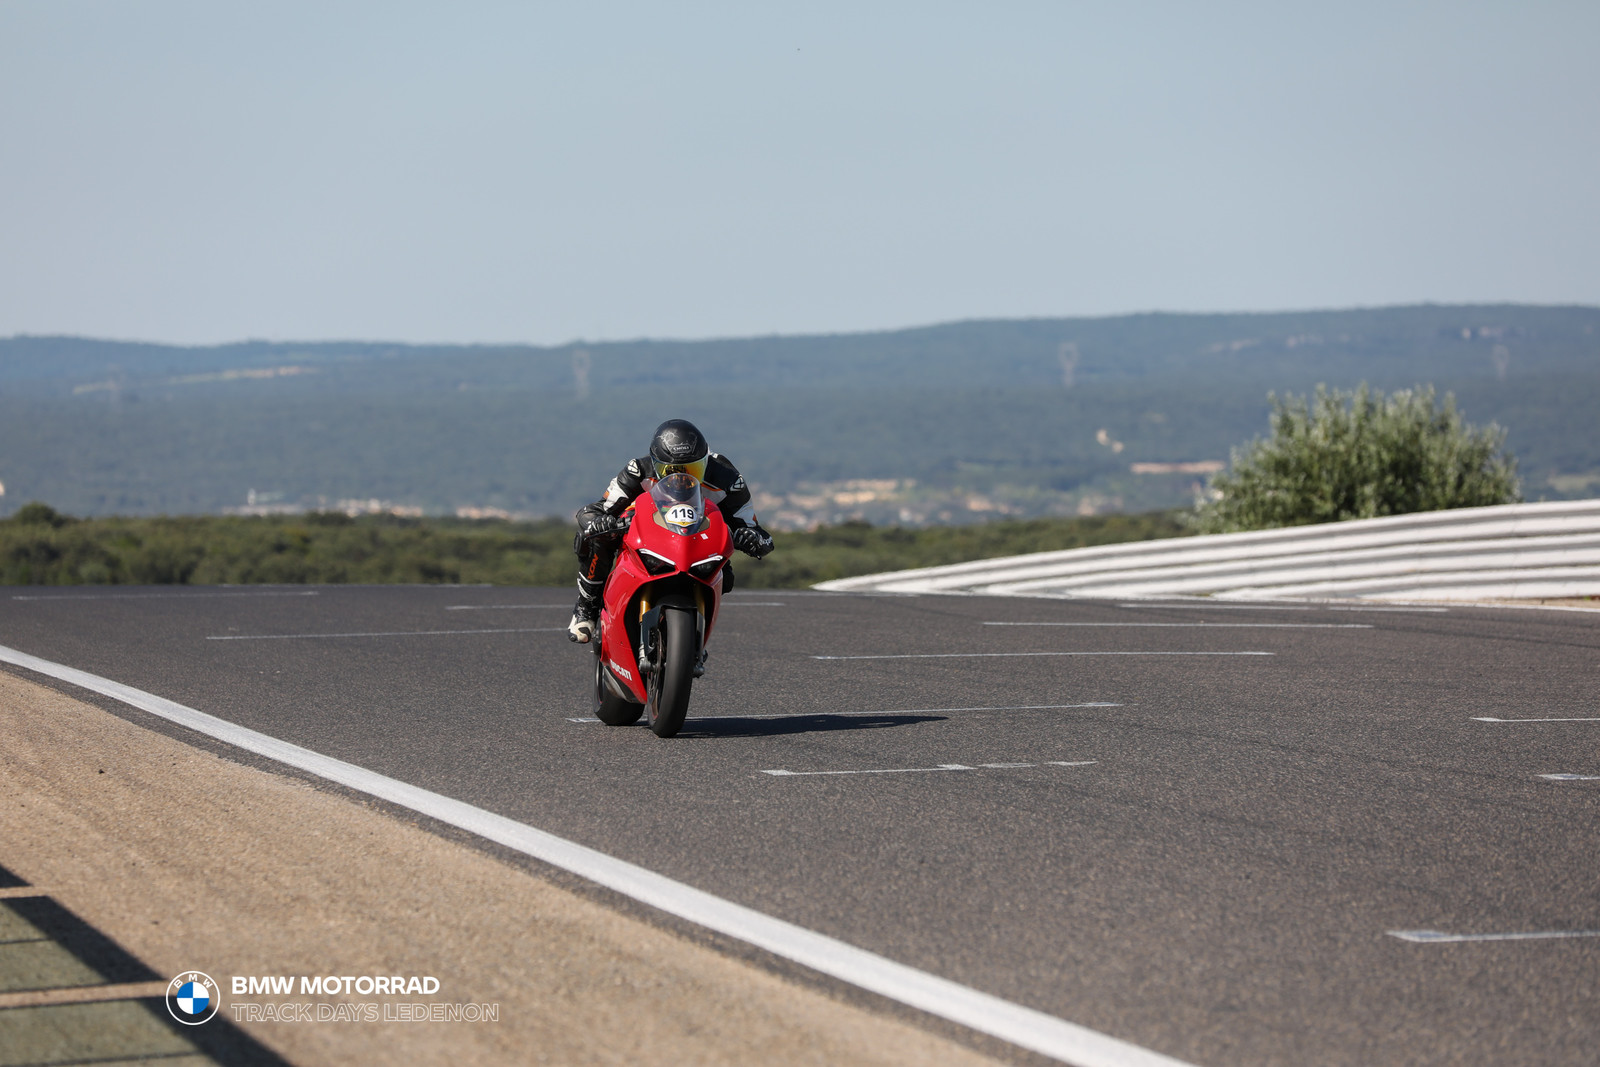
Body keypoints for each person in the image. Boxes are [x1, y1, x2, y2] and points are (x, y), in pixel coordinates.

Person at [568, 419, 775, 642]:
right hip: (646, 537)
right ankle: (586, 607)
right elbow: (594, 510)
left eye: (693, 470)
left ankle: (695, 635)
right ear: (656, 464)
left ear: (705, 461)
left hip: (698, 542)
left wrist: (752, 539)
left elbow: (758, 533)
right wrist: (600, 522)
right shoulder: (639, 470)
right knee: (597, 538)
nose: (682, 479)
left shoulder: (728, 479)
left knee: (727, 576)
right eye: (671, 472)